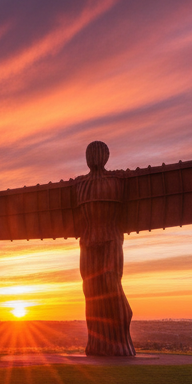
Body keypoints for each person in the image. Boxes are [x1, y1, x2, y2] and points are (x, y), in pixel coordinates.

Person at [75, 141, 135, 356]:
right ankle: (97, 342)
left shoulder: (118, 180)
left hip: (110, 237)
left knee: (110, 281)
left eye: (98, 153)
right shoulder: (79, 185)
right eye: (90, 153)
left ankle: (119, 340)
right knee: (90, 289)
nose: (93, 158)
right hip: (88, 240)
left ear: (106, 156)